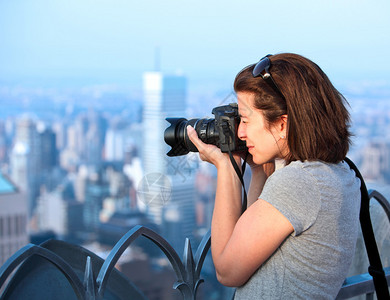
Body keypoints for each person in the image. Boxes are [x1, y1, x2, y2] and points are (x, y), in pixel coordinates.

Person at [187, 53, 361, 299]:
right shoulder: (336, 173)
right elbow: (252, 237)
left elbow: (227, 272)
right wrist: (258, 168)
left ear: (282, 124)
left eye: (245, 119)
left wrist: (226, 166)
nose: (240, 131)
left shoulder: (298, 183)